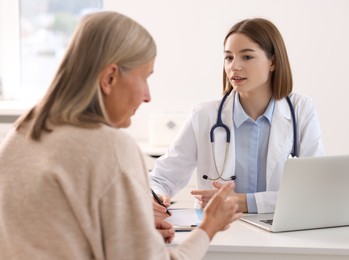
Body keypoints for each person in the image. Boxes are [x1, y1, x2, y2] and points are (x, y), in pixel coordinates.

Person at [0, 11, 241, 259]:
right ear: (110, 77)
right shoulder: (111, 147)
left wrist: (134, 233)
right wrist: (209, 226)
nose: (148, 96)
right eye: (145, 78)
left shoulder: (20, 133)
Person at [150, 17, 325, 218]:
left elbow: (315, 188)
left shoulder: (301, 110)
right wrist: (156, 196)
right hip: (221, 234)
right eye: (229, 57)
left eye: (247, 57)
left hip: (282, 234)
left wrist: (242, 202)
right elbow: (161, 178)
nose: (234, 66)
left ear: (273, 62)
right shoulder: (204, 116)